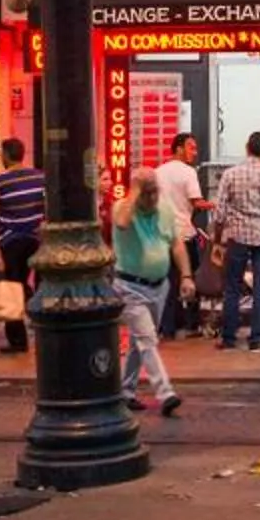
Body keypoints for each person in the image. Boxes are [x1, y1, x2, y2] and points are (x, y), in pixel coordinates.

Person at [110, 171, 186, 416]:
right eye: (148, 192)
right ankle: (165, 393)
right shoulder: (123, 208)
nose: (153, 197)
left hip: (158, 286)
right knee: (147, 339)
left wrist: (186, 275)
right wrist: (134, 190)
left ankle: (126, 391)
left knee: (138, 342)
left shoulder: (164, 209)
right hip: (130, 287)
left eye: (155, 191)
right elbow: (121, 223)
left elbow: (176, 243)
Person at [208, 130, 260, 349]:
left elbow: (220, 212)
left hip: (237, 237)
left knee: (232, 286)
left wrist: (217, 239)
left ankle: (229, 337)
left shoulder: (231, 174)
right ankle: (256, 339)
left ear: (247, 147)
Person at [0, 135, 48, 354]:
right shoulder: (39, 178)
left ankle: (17, 339)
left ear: (5, 156)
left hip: (10, 241)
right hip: (35, 239)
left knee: (10, 288)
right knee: (25, 283)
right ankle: (36, 316)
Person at [152, 131, 203, 338]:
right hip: (184, 235)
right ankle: (191, 324)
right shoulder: (188, 172)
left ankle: (168, 327)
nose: (195, 152)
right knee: (192, 277)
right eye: (191, 147)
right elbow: (196, 201)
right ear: (179, 148)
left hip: (162, 235)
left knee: (167, 282)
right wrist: (216, 204)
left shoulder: (157, 172)